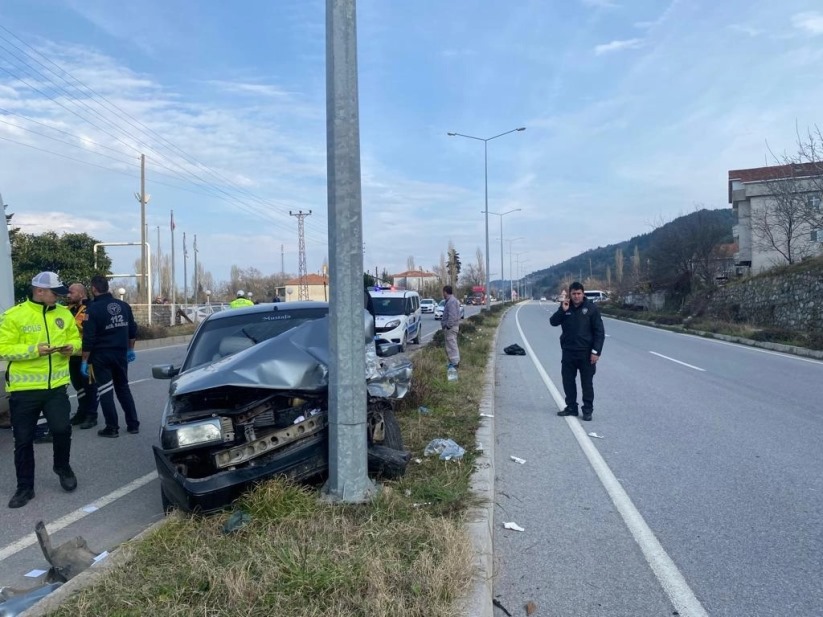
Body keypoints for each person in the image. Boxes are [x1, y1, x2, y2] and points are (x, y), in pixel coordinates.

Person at [0, 271, 81, 508]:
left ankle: (62, 466)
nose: (59, 297)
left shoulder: (64, 314)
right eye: (55, 293)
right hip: (24, 391)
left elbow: (76, 341)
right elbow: (3, 348)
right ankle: (25, 487)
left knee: (62, 428)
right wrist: (34, 350)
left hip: (55, 387)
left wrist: (71, 348)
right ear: (40, 291)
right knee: (23, 440)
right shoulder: (15, 315)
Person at [82, 275, 139, 438]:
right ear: (107, 287)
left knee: (105, 390)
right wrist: (130, 350)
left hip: (101, 356)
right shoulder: (124, 306)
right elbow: (132, 331)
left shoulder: (92, 309)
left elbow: (88, 338)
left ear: (93, 288)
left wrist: (84, 361)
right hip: (120, 353)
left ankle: (112, 427)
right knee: (123, 387)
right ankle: (133, 424)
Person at [549, 282, 605, 422]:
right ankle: (571, 407)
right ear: (570, 294)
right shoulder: (566, 308)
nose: (576, 296)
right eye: (573, 293)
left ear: (583, 294)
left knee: (587, 383)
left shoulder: (591, 309)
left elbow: (599, 332)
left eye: (579, 293)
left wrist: (596, 352)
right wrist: (562, 309)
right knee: (568, 381)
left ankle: (587, 410)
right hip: (568, 352)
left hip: (586, 354)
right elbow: (553, 322)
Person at [66, 283, 99, 429]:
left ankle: (92, 415)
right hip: (72, 355)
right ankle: (82, 411)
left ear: (81, 294)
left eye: (71, 293)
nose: (68, 295)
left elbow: (90, 329)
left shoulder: (91, 308)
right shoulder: (68, 309)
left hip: (88, 355)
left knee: (90, 386)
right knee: (78, 386)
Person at [441, 285, 461, 369]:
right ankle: (453, 362)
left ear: (445, 292)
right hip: (451, 327)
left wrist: (448, 326)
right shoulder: (450, 300)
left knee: (451, 345)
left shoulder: (451, 301)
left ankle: (455, 364)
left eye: (443, 292)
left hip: (451, 328)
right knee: (450, 345)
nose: (443, 294)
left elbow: (452, 316)